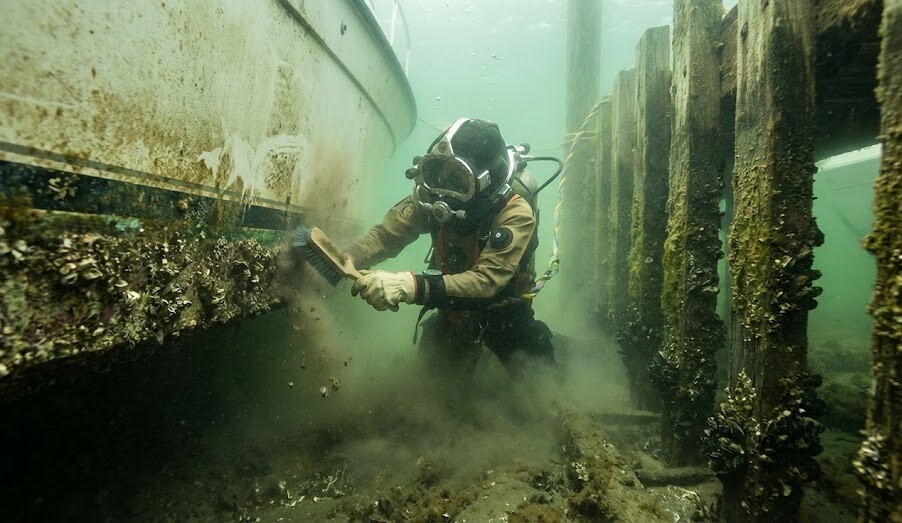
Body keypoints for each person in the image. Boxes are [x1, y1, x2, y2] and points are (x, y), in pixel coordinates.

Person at [346, 118, 555, 381]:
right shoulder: (430, 196)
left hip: (505, 316)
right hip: (451, 313)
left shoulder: (515, 213)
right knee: (432, 391)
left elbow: (486, 282)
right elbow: (386, 236)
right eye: (436, 172)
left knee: (542, 392)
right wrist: (349, 256)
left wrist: (409, 285)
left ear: (484, 183)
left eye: (458, 180)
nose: (442, 190)